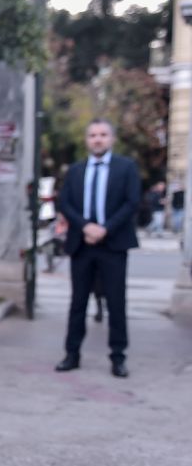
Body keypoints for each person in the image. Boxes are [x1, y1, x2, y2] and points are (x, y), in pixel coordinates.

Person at [56, 120, 141, 378]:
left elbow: (132, 202)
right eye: (93, 135)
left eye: (103, 135)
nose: (98, 139)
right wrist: (86, 227)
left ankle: (118, 356)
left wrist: (104, 229)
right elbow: (66, 202)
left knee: (116, 302)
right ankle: (72, 353)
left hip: (113, 245)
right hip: (83, 244)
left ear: (111, 139)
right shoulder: (76, 170)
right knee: (78, 302)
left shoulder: (126, 168)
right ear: (86, 140)